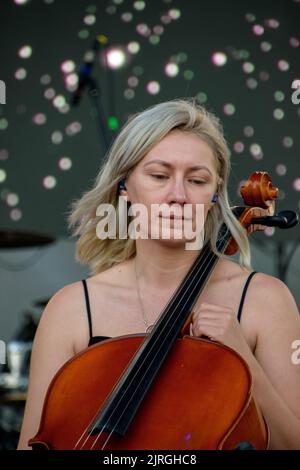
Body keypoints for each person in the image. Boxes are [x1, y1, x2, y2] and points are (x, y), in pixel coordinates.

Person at [18, 98, 300, 450]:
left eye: (197, 180)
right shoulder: (72, 309)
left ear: (214, 194)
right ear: (125, 186)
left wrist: (243, 358)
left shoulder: (264, 300)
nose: (178, 196)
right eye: (159, 176)